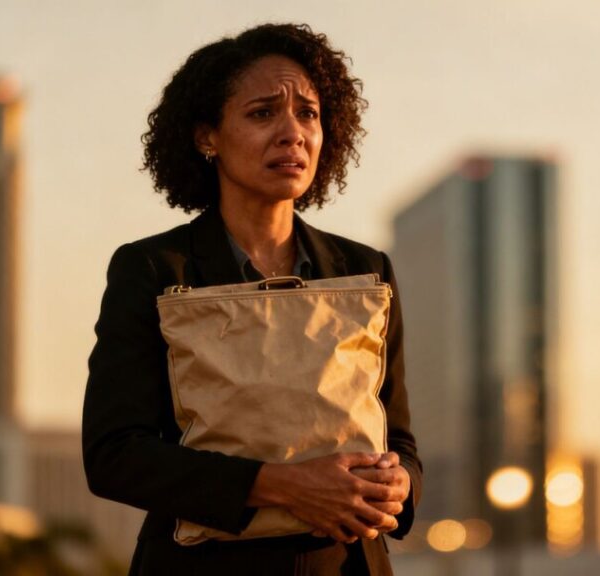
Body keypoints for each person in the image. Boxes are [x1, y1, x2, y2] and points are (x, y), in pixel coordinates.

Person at [82, 23, 421, 576]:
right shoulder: (152, 269)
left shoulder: (365, 270)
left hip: (350, 564)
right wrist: (283, 487)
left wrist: (400, 482)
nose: (293, 133)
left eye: (308, 113)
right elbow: (114, 455)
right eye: (263, 113)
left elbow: (400, 437)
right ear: (206, 137)